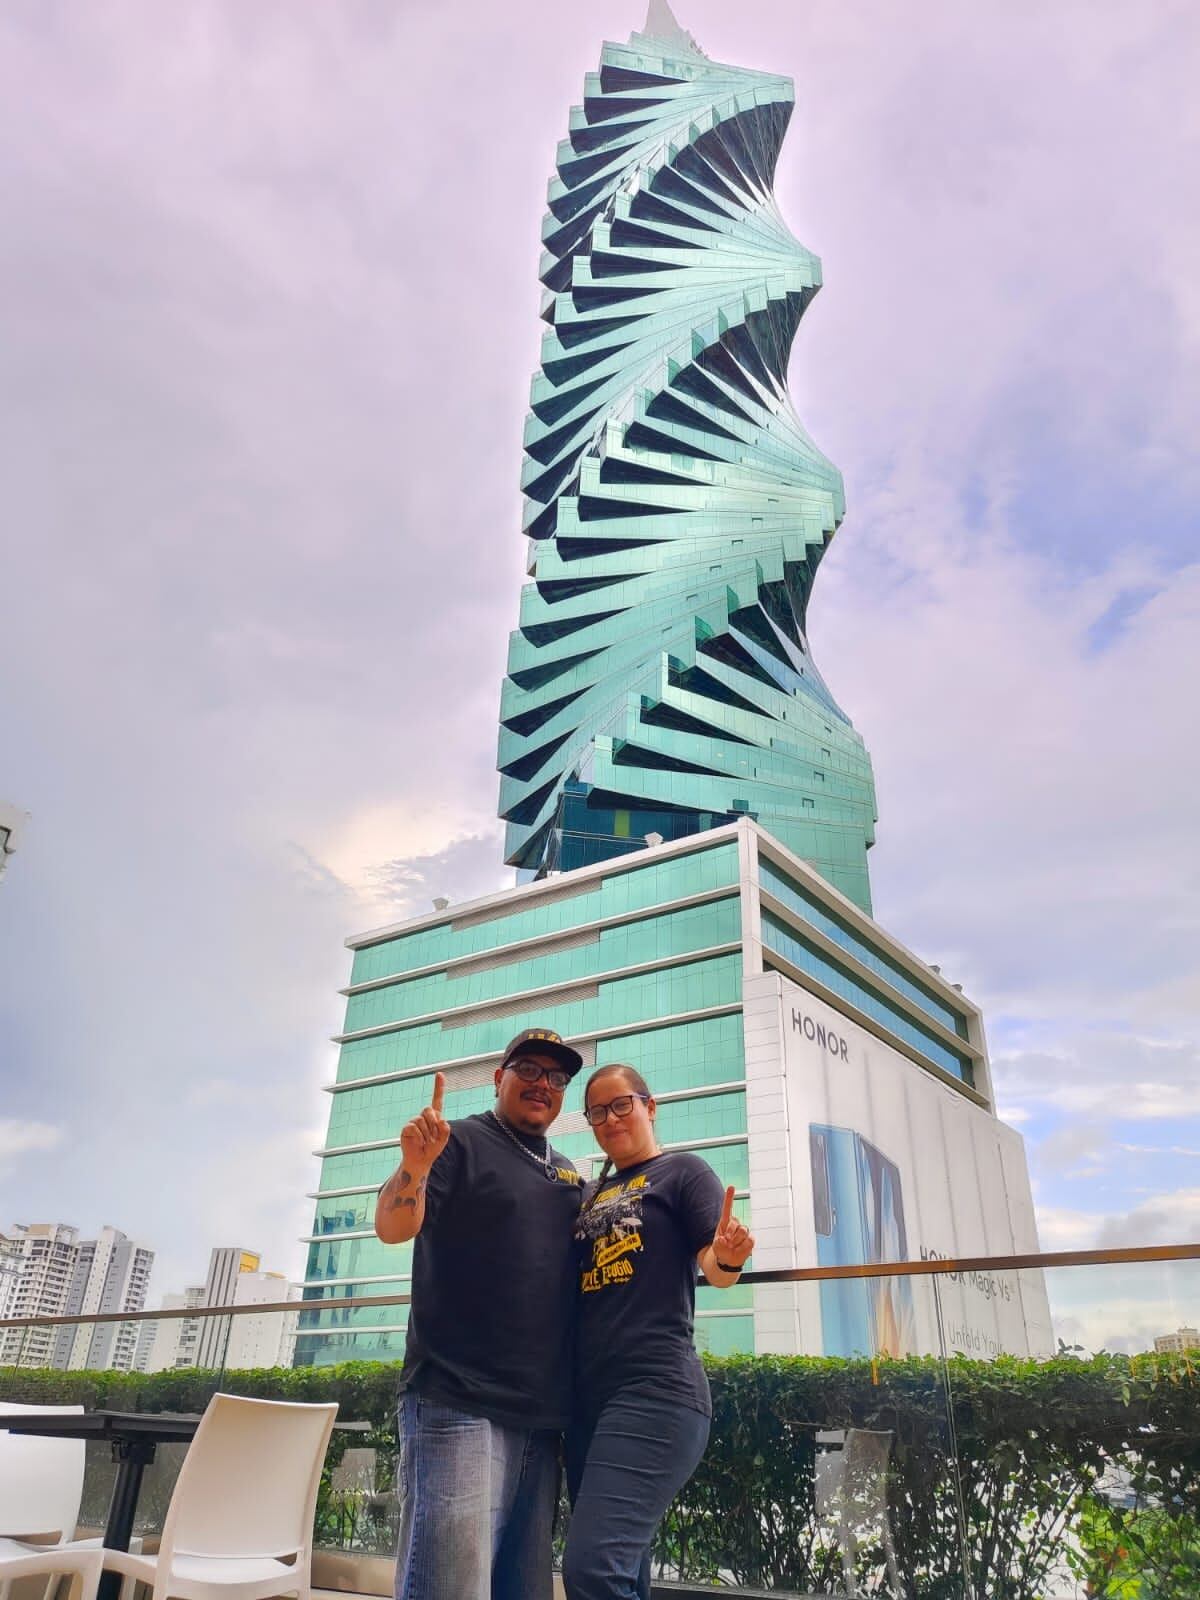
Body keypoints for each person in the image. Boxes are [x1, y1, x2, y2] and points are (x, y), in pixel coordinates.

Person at [373, 1026, 586, 1600]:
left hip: (542, 1422)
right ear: (500, 1078)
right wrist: (414, 1168)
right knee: (449, 1589)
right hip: (456, 1401)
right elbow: (394, 1227)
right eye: (530, 1070)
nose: (544, 1083)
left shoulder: (569, 1174)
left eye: (558, 1076)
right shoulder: (457, 1142)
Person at [563, 1063, 755, 1600]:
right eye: (597, 1111)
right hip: (587, 1404)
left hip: (654, 1391)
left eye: (622, 1103)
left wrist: (729, 1255)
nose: (610, 1118)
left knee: (593, 1569)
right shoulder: (591, 1192)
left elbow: (712, 1265)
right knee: (623, 1570)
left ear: (650, 1106)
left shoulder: (683, 1173)